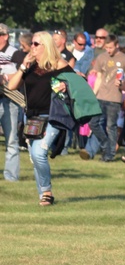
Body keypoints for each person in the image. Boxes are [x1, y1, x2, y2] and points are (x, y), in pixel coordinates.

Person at [4, 32, 71, 204]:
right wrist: (23, 66)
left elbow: (78, 83)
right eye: (32, 43)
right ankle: (43, 194)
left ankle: (47, 192)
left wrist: (66, 85)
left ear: (45, 46)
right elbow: (11, 86)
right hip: (32, 117)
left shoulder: (58, 64)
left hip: (52, 115)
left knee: (39, 152)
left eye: (35, 44)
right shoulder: (30, 66)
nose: (31, 47)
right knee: (35, 157)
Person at [84, 33, 125, 161]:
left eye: (110, 47)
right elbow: (99, 77)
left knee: (111, 126)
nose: (108, 50)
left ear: (116, 45)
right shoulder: (101, 58)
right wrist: (93, 94)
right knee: (93, 123)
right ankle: (105, 145)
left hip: (114, 98)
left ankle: (109, 155)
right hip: (100, 96)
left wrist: (123, 86)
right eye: (106, 48)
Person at [0, 23, 21, 181]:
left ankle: (11, 176)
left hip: (9, 99)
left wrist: (6, 78)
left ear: (5, 36)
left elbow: (22, 74)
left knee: (12, 138)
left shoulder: (15, 53)